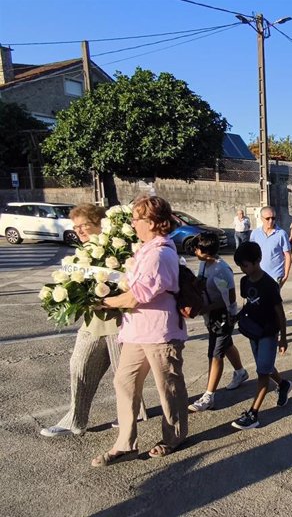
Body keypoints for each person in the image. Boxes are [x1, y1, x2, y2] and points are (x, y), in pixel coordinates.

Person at [91, 196, 188, 467]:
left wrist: (103, 302)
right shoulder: (146, 249)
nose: (133, 224)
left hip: (160, 332)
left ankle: (174, 436)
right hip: (137, 332)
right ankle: (125, 443)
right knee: (124, 382)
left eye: (137, 219)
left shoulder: (159, 253)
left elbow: (136, 297)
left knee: (168, 387)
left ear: (155, 223)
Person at [41, 204, 147, 438]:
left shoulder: (119, 251)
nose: (79, 230)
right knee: (78, 366)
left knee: (125, 376)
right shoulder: (81, 253)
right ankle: (75, 420)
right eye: (76, 226)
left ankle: (132, 414)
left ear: (101, 224)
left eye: (85, 225)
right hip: (93, 323)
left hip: (122, 322)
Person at [230, 241, 292, 429]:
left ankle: (253, 413)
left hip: (268, 333)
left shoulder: (269, 285)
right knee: (263, 366)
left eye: (245, 265)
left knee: (262, 373)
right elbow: (248, 304)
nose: (243, 269)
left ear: (258, 260)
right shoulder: (244, 281)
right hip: (253, 331)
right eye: (240, 265)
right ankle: (283, 385)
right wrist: (237, 317)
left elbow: (280, 312)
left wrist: (283, 337)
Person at [188, 232, 248, 413]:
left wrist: (205, 309)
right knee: (226, 345)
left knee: (215, 354)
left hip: (222, 317)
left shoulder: (221, 270)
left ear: (205, 251)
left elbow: (228, 299)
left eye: (196, 248)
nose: (194, 250)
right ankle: (240, 372)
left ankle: (209, 396)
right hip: (210, 314)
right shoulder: (204, 263)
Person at [250, 206, 291, 287]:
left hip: (275, 276)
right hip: (258, 274)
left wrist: (286, 275)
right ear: (261, 218)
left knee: (273, 299)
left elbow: (287, 255)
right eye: (267, 218)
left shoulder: (281, 234)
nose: (271, 221)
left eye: (273, 218)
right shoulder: (255, 234)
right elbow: (251, 254)